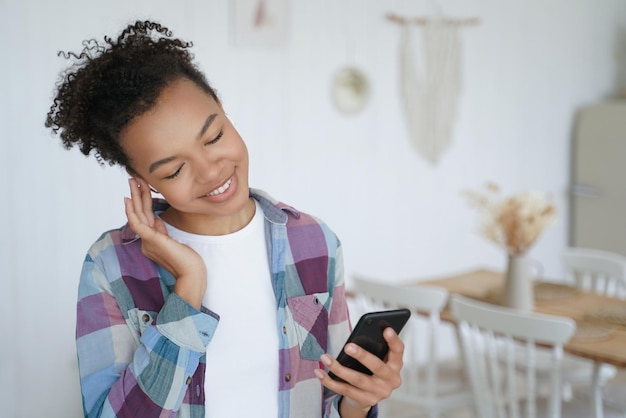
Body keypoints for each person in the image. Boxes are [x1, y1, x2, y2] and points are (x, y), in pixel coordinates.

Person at [45, 20, 404, 418]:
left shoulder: (315, 242)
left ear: (224, 112)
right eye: (174, 170)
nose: (211, 170)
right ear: (144, 183)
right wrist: (188, 287)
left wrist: (358, 399)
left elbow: (332, 402)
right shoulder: (110, 266)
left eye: (213, 137)